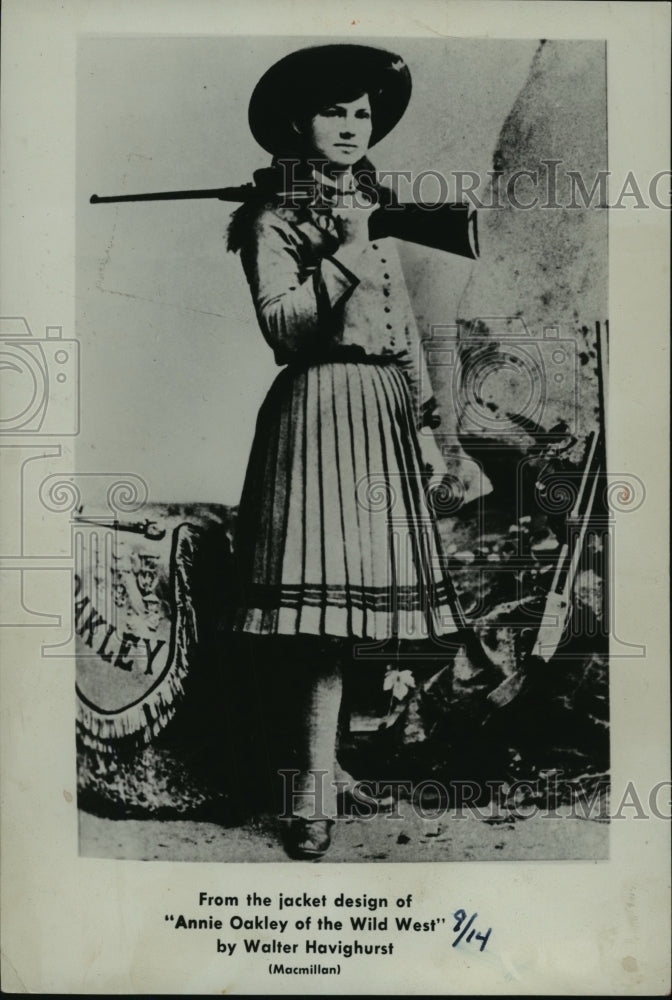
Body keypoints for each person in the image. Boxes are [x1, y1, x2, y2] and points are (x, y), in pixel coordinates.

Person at [228, 44, 476, 859]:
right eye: (333, 112)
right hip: (318, 408)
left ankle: (325, 768)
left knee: (361, 609)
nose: (350, 126)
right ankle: (307, 796)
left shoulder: (370, 206)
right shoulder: (273, 218)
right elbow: (284, 329)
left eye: (361, 114)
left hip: (379, 412)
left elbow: (399, 329)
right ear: (300, 123)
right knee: (318, 622)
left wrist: (428, 429)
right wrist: (342, 245)